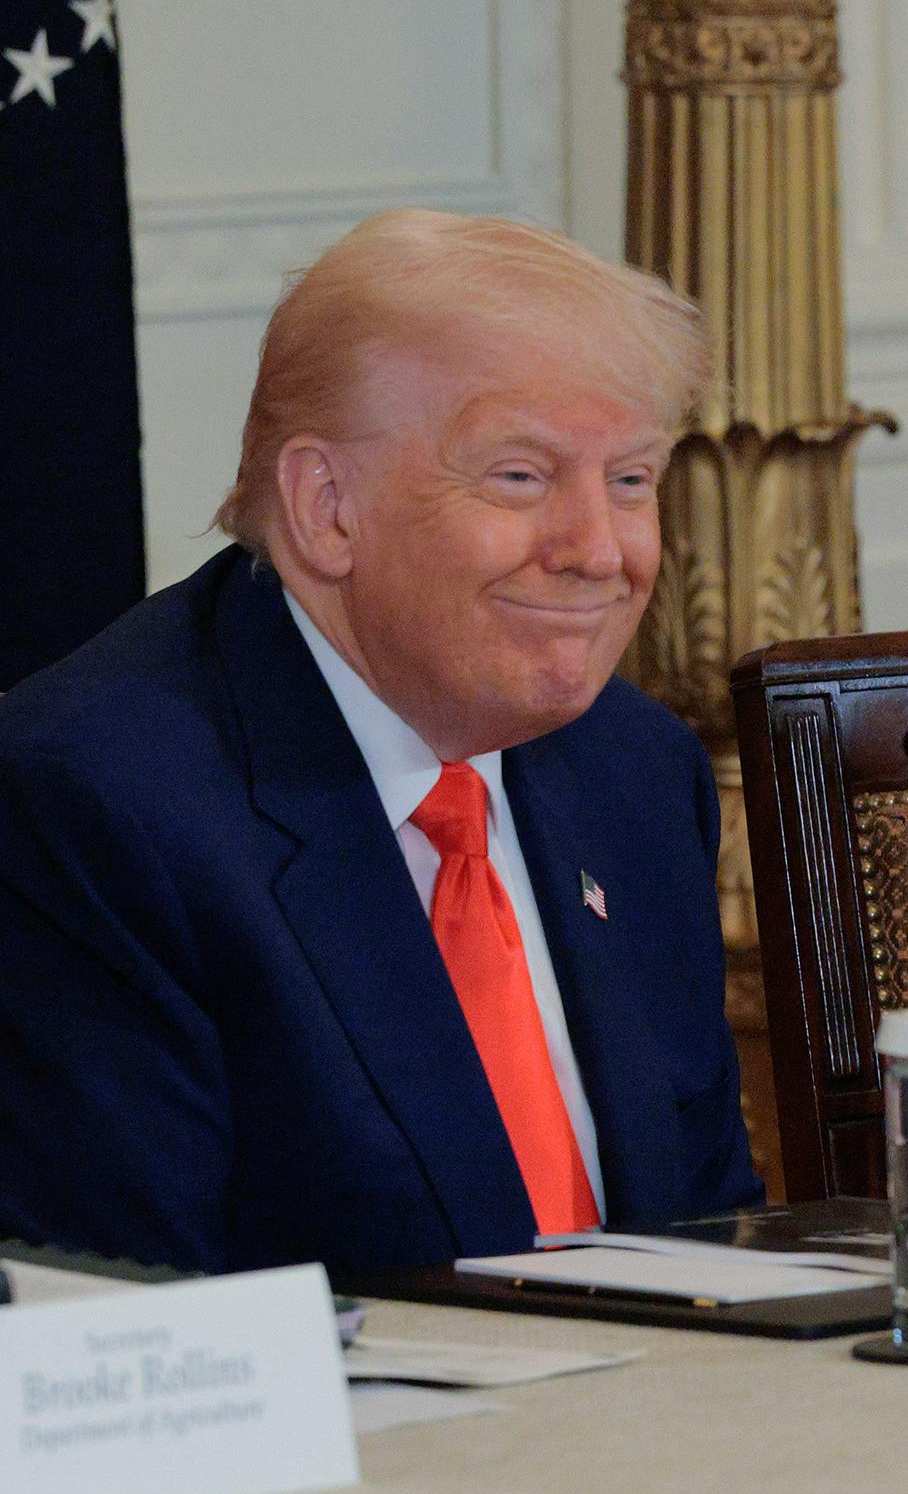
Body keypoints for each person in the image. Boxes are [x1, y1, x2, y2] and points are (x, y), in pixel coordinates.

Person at [0, 210, 764, 1273]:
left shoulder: (634, 771)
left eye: (630, 480)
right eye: (522, 476)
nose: (601, 551)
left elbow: (711, 1239)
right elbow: (144, 1317)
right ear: (327, 508)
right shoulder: (95, 806)